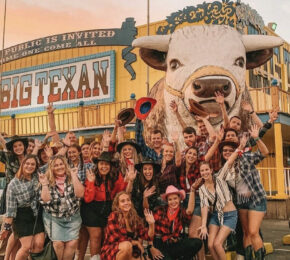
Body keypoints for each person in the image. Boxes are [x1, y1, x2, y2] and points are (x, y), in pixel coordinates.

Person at [198, 134, 247, 260]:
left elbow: (229, 161)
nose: (204, 173)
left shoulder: (219, 177)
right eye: (202, 171)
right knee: (210, 244)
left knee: (217, 244)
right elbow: (204, 207)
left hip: (230, 214)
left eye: (206, 170)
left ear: (211, 170)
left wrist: (240, 148)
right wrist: (203, 225)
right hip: (216, 215)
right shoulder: (202, 189)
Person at [83, 152, 128, 260]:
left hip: (108, 208)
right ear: (97, 165)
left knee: (107, 235)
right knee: (96, 235)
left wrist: (129, 180)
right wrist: (91, 182)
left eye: (106, 164)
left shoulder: (116, 176)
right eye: (101, 164)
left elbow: (121, 193)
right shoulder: (92, 176)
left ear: (110, 166)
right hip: (91, 209)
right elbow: (88, 199)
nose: (104, 167)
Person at [39, 155, 84, 260]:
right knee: (58, 244)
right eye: (56, 165)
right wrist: (45, 185)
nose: (59, 167)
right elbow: (45, 201)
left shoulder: (72, 177)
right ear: (51, 168)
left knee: (72, 243)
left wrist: (73, 176)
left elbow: (80, 194)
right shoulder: (46, 179)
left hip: (72, 216)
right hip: (54, 217)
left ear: (65, 165)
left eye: (61, 164)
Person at [0, 155, 45, 260]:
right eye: (27, 163)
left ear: (36, 166)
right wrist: (6, 227)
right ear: (22, 164)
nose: (30, 166)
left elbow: (53, 163)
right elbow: (11, 210)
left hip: (36, 214)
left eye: (32, 164)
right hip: (21, 217)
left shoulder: (37, 176)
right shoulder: (13, 184)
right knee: (26, 246)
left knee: (39, 244)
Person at [150, 185, 202, 260]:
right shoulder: (159, 211)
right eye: (170, 199)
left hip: (174, 243)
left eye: (175, 198)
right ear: (167, 201)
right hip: (159, 244)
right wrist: (151, 248)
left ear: (179, 199)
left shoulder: (181, 212)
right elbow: (149, 232)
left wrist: (193, 190)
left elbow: (189, 211)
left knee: (197, 243)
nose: (173, 202)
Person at [100, 191, 155, 260]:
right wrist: (136, 242)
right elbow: (119, 239)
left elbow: (148, 236)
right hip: (111, 251)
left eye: (128, 200)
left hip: (130, 251)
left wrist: (151, 224)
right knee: (127, 246)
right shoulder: (114, 216)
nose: (126, 203)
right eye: (122, 201)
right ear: (118, 205)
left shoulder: (134, 218)